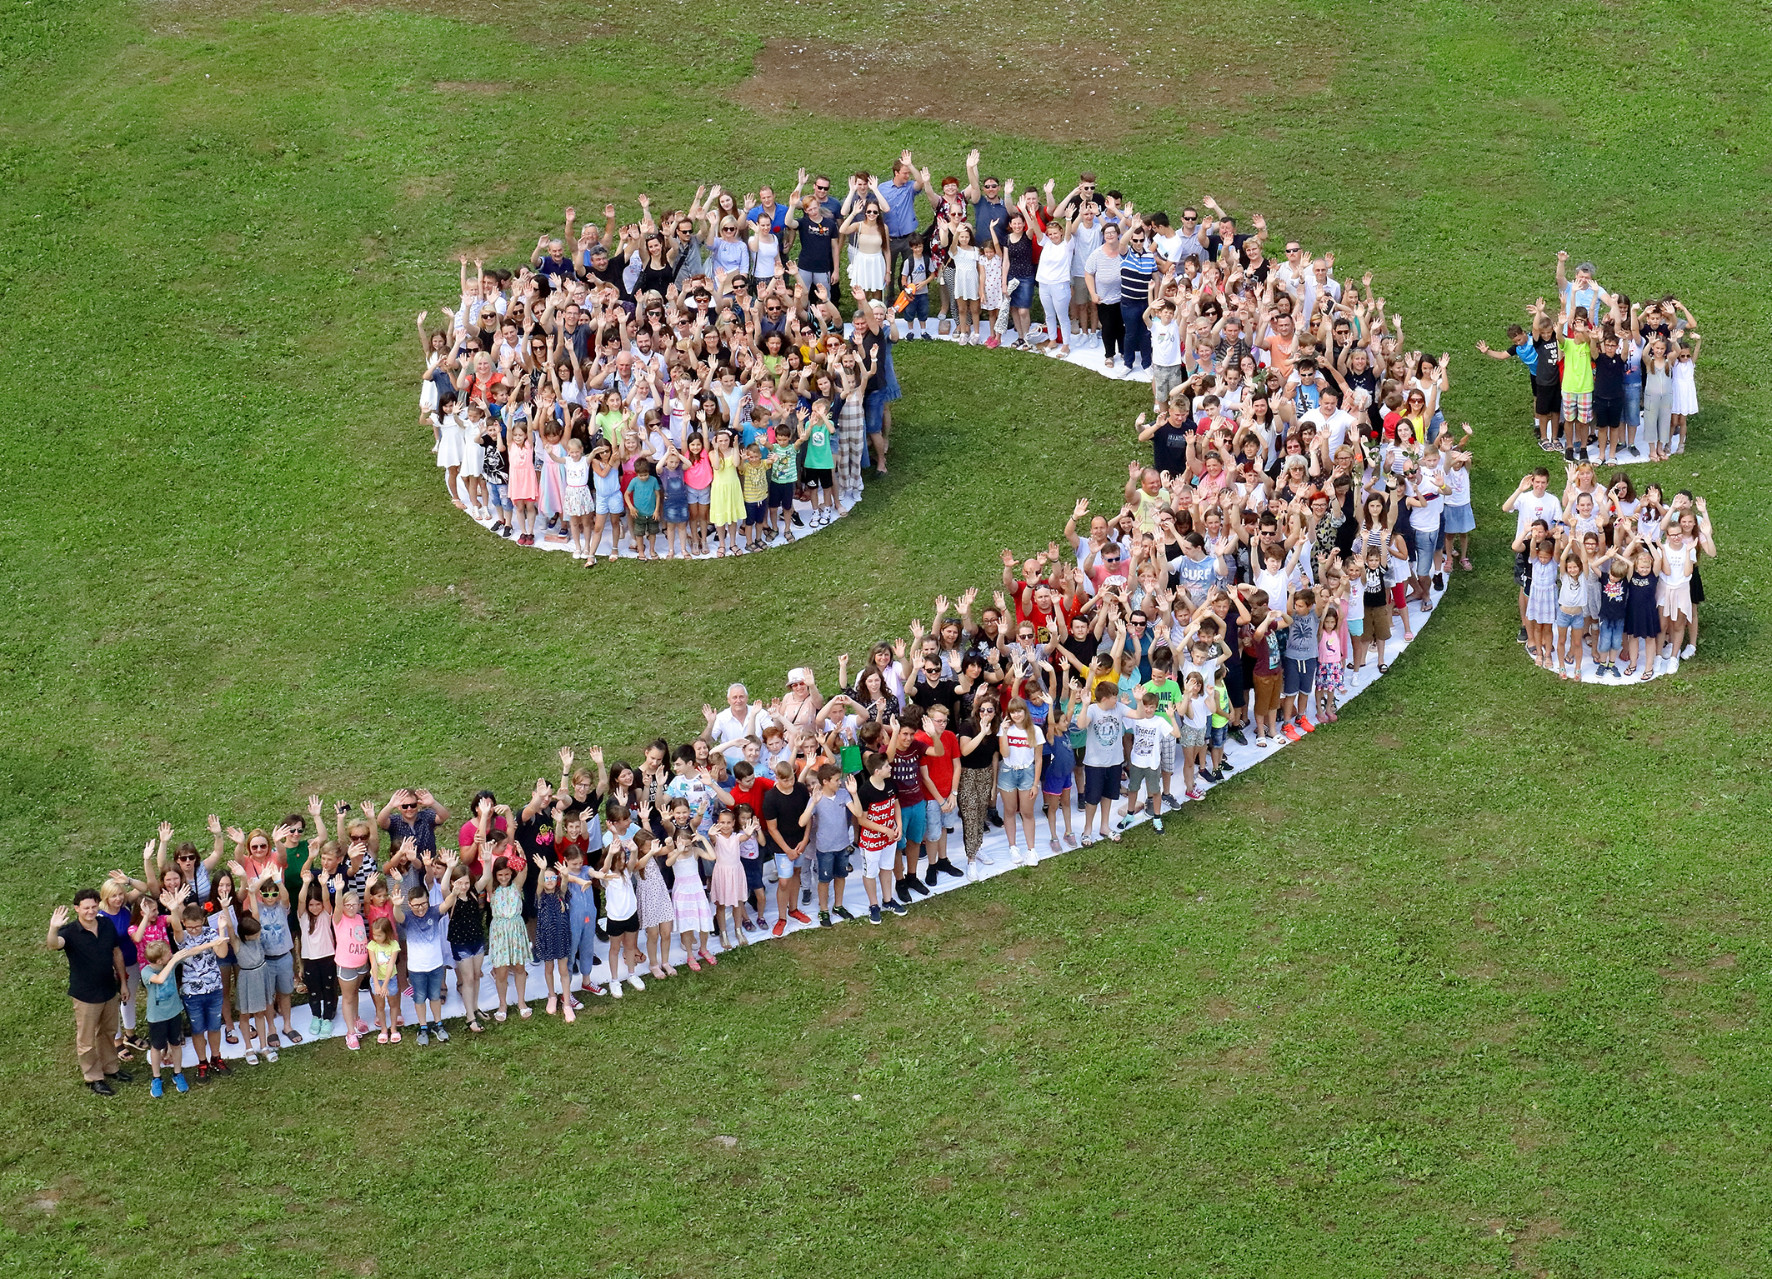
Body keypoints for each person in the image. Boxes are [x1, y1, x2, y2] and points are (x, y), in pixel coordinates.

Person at [47, 891, 132, 1095]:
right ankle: (93, 1077)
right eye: (86, 908)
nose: (90, 911)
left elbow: (116, 953)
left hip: (109, 989)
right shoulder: (69, 932)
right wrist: (53, 928)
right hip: (85, 994)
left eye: (94, 907)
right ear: (77, 909)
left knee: (109, 1032)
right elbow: (53, 945)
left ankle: (111, 1067)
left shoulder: (106, 925)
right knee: (86, 1039)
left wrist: (123, 983)